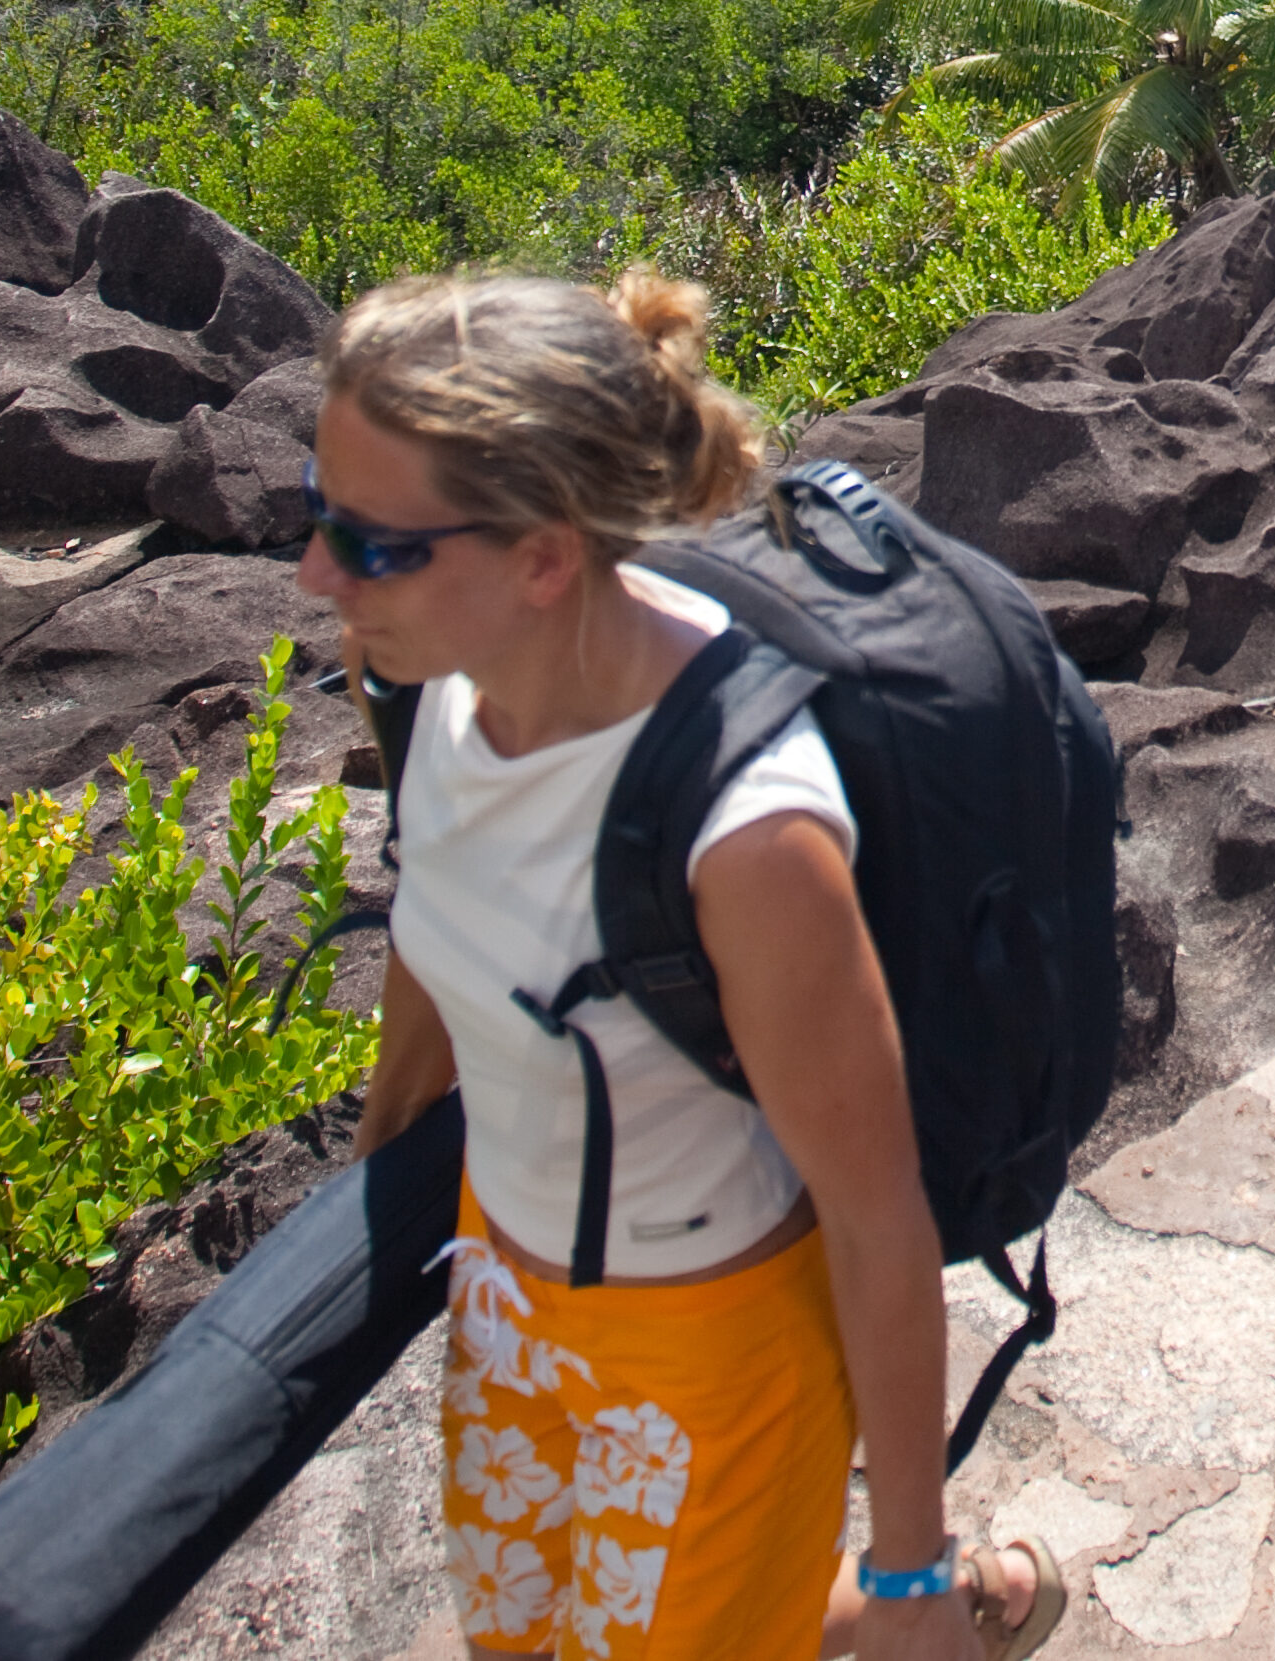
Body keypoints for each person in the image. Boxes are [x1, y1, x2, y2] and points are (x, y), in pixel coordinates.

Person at [318, 268, 1065, 1661]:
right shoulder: (427, 684)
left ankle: (926, 1602)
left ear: (542, 557)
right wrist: (378, 1189)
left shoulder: (746, 830)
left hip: (708, 1358)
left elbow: (874, 1213)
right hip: (505, 1292)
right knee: (527, 1639)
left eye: (368, 543)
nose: (316, 575)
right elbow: (438, 925)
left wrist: (908, 1566)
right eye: (324, 520)